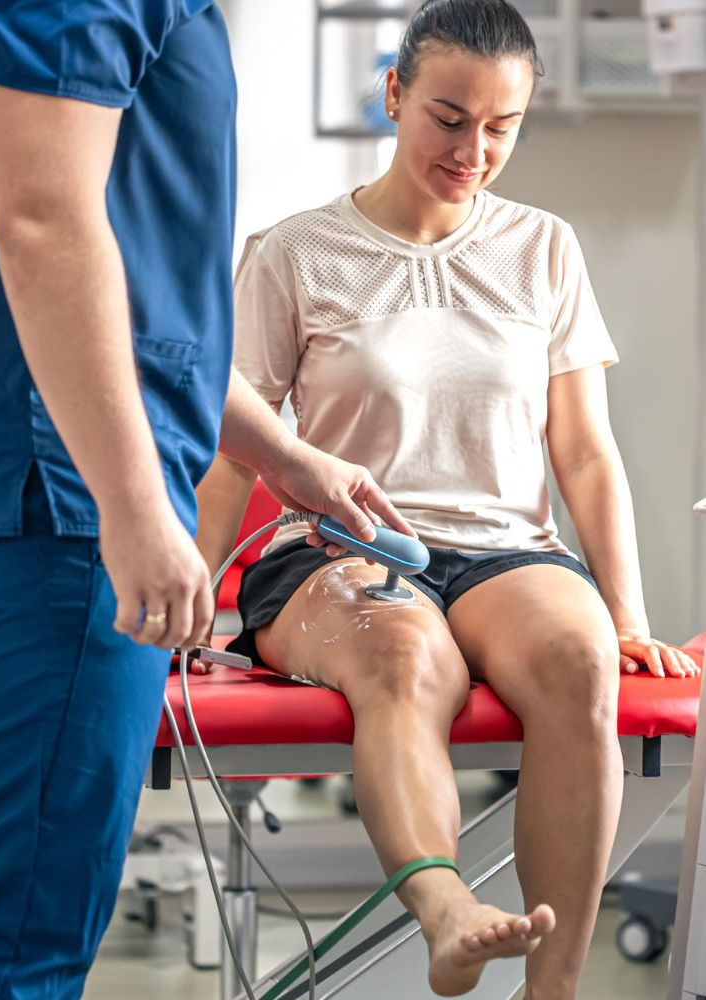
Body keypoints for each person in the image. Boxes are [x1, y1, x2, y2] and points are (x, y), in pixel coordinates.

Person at [0, 2, 407, 997]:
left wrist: (281, 455)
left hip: (19, 479)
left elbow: (132, 300)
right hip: (44, 497)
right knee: (21, 922)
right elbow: (44, 223)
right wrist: (132, 508)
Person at [194, 2, 702, 997]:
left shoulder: (543, 247)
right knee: (401, 655)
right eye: (449, 118)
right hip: (341, 549)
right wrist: (190, 601)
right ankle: (447, 911)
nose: (473, 151)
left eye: (501, 127)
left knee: (579, 660)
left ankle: (552, 989)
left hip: (507, 550)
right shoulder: (294, 252)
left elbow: (583, 452)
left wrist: (627, 616)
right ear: (393, 94)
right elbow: (232, 452)